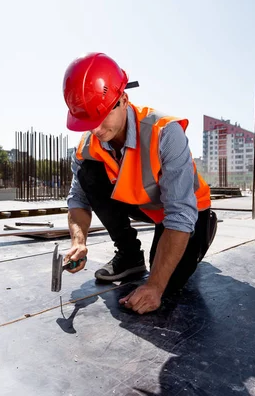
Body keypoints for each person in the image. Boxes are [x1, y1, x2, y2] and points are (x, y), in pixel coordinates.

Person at [62, 52, 217, 314]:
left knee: (170, 282)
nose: (97, 130)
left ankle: (203, 231)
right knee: (89, 172)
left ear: (123, 99)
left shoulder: (165, 133)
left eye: (101, 118)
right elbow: (78, 199)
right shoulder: (88, 146)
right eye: (89, 123)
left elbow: (179, 214)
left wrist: (155, 286)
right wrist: (78, 241)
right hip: (143, 204)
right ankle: (130, 255)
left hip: (185, 212)